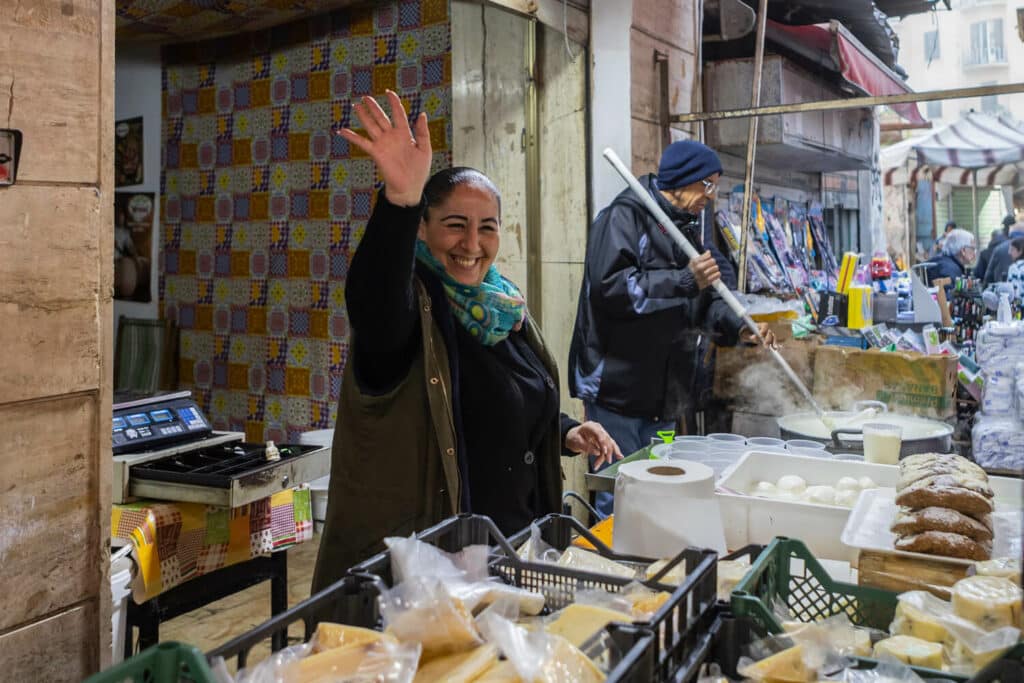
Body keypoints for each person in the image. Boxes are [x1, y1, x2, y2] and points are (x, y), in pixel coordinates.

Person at [312, 92, 622, 590]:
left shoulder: (501, 307)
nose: (472, 244)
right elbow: (372, 302)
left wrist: (562, 430)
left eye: (487, 228)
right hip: (432, 571)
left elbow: (497, 399)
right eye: (455, 225)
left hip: (513, 551)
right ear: (422, 230)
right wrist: (399, 200)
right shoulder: (410, 310)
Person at [568, 139, 775, 515]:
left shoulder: (689, 230)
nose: (711, 196)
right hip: (619, 392)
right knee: (621, 492)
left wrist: (738, 326)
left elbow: (706, 299)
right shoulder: (624, 217)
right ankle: (611, 569)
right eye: (707, 185)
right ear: (682, 180)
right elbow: (610, 290)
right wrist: (683, 280)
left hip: (665, 397)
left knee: (659, 486)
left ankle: (651, 568)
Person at [922, 228, 976, 294]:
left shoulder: (946, 262)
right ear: (963, 250)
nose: (974, 253)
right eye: (973, 248)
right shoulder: (950, 270)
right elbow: (948, 301)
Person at [983, 221, 1024, 285]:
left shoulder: (999, 248)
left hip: (1002, 290)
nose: (1010, 253)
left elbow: (989, 274)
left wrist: (985, 289)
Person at [1007, 237, 1024, 303]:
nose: (1009, 252)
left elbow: (1013, 292)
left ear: (1020, 251)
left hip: (1020, 308)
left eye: (1012, 249)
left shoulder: (1015, 268)